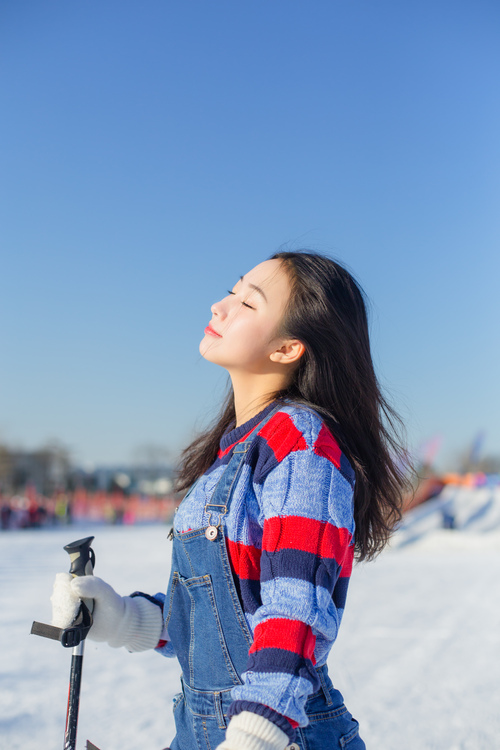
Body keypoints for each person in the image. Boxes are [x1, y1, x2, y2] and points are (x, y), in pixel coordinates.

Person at [51, 251, 408, 750]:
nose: (220, 306)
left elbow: (296, 610)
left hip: (274, 734)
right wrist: (117, 615)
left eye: (247, 301)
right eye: (231, 289)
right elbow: (217, 626)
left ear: (287, 348)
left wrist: (257, 733)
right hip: (202, 731)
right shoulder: (230, 453)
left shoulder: (300, 442)